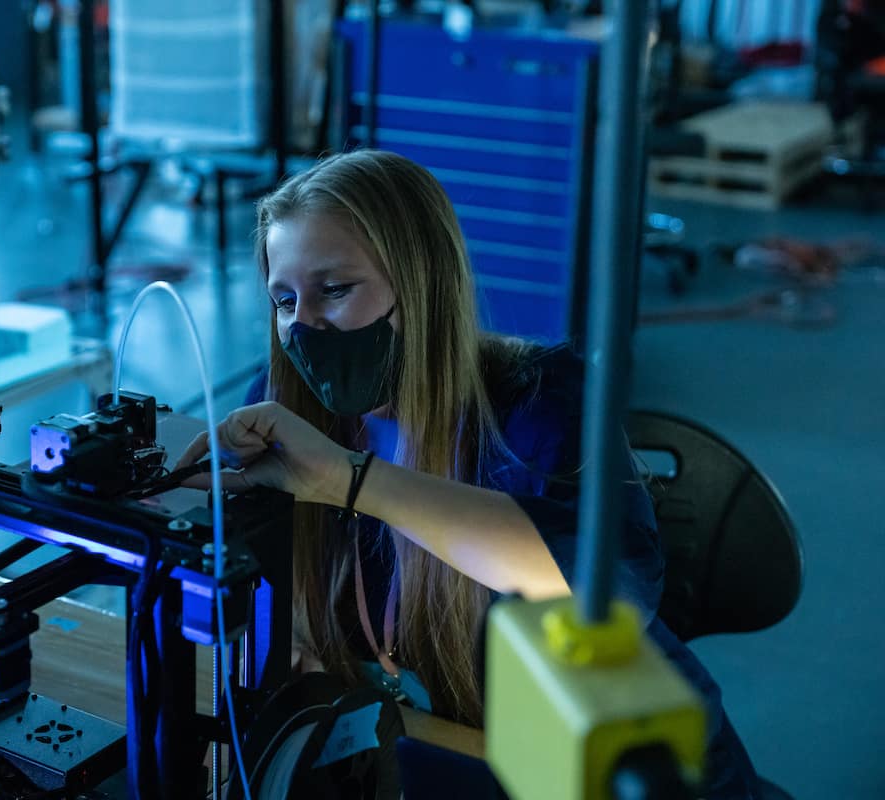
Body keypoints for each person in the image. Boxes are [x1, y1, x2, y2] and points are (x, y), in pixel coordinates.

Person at [176, 149, 759, 798]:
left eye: (335, 290)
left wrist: (350, 481)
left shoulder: (539, 404)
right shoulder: (288, 409)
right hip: (429, 759)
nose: (303, 324)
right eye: (284, 300)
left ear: (420, 286)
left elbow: (607, 589)